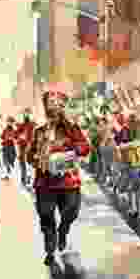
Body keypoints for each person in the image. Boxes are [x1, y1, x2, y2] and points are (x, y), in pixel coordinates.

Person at [26, 87, 90, 266]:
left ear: (62, 110)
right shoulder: (39, 132)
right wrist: (36, 159)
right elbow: (29, 155)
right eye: (50, 109)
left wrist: (70, 153)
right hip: (44, 183)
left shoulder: (72, 129)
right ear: (46, 112)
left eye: (57, 108)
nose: (53, 113)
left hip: (68, 182)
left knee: (71, 212)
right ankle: (50, 248)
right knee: (46, 215)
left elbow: (85, 147)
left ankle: (63, 230)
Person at [15, 107, 35, 186]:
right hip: (22, 147)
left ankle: (28, 178)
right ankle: (23, 179)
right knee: (22, 164)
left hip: (29, 146)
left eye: (28, 113)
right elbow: (16, 135)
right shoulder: (21, 125)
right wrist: (20, 136)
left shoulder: (32, 125)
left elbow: (34, 135)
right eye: (25, 113)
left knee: (29, 163)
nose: (26, 114)